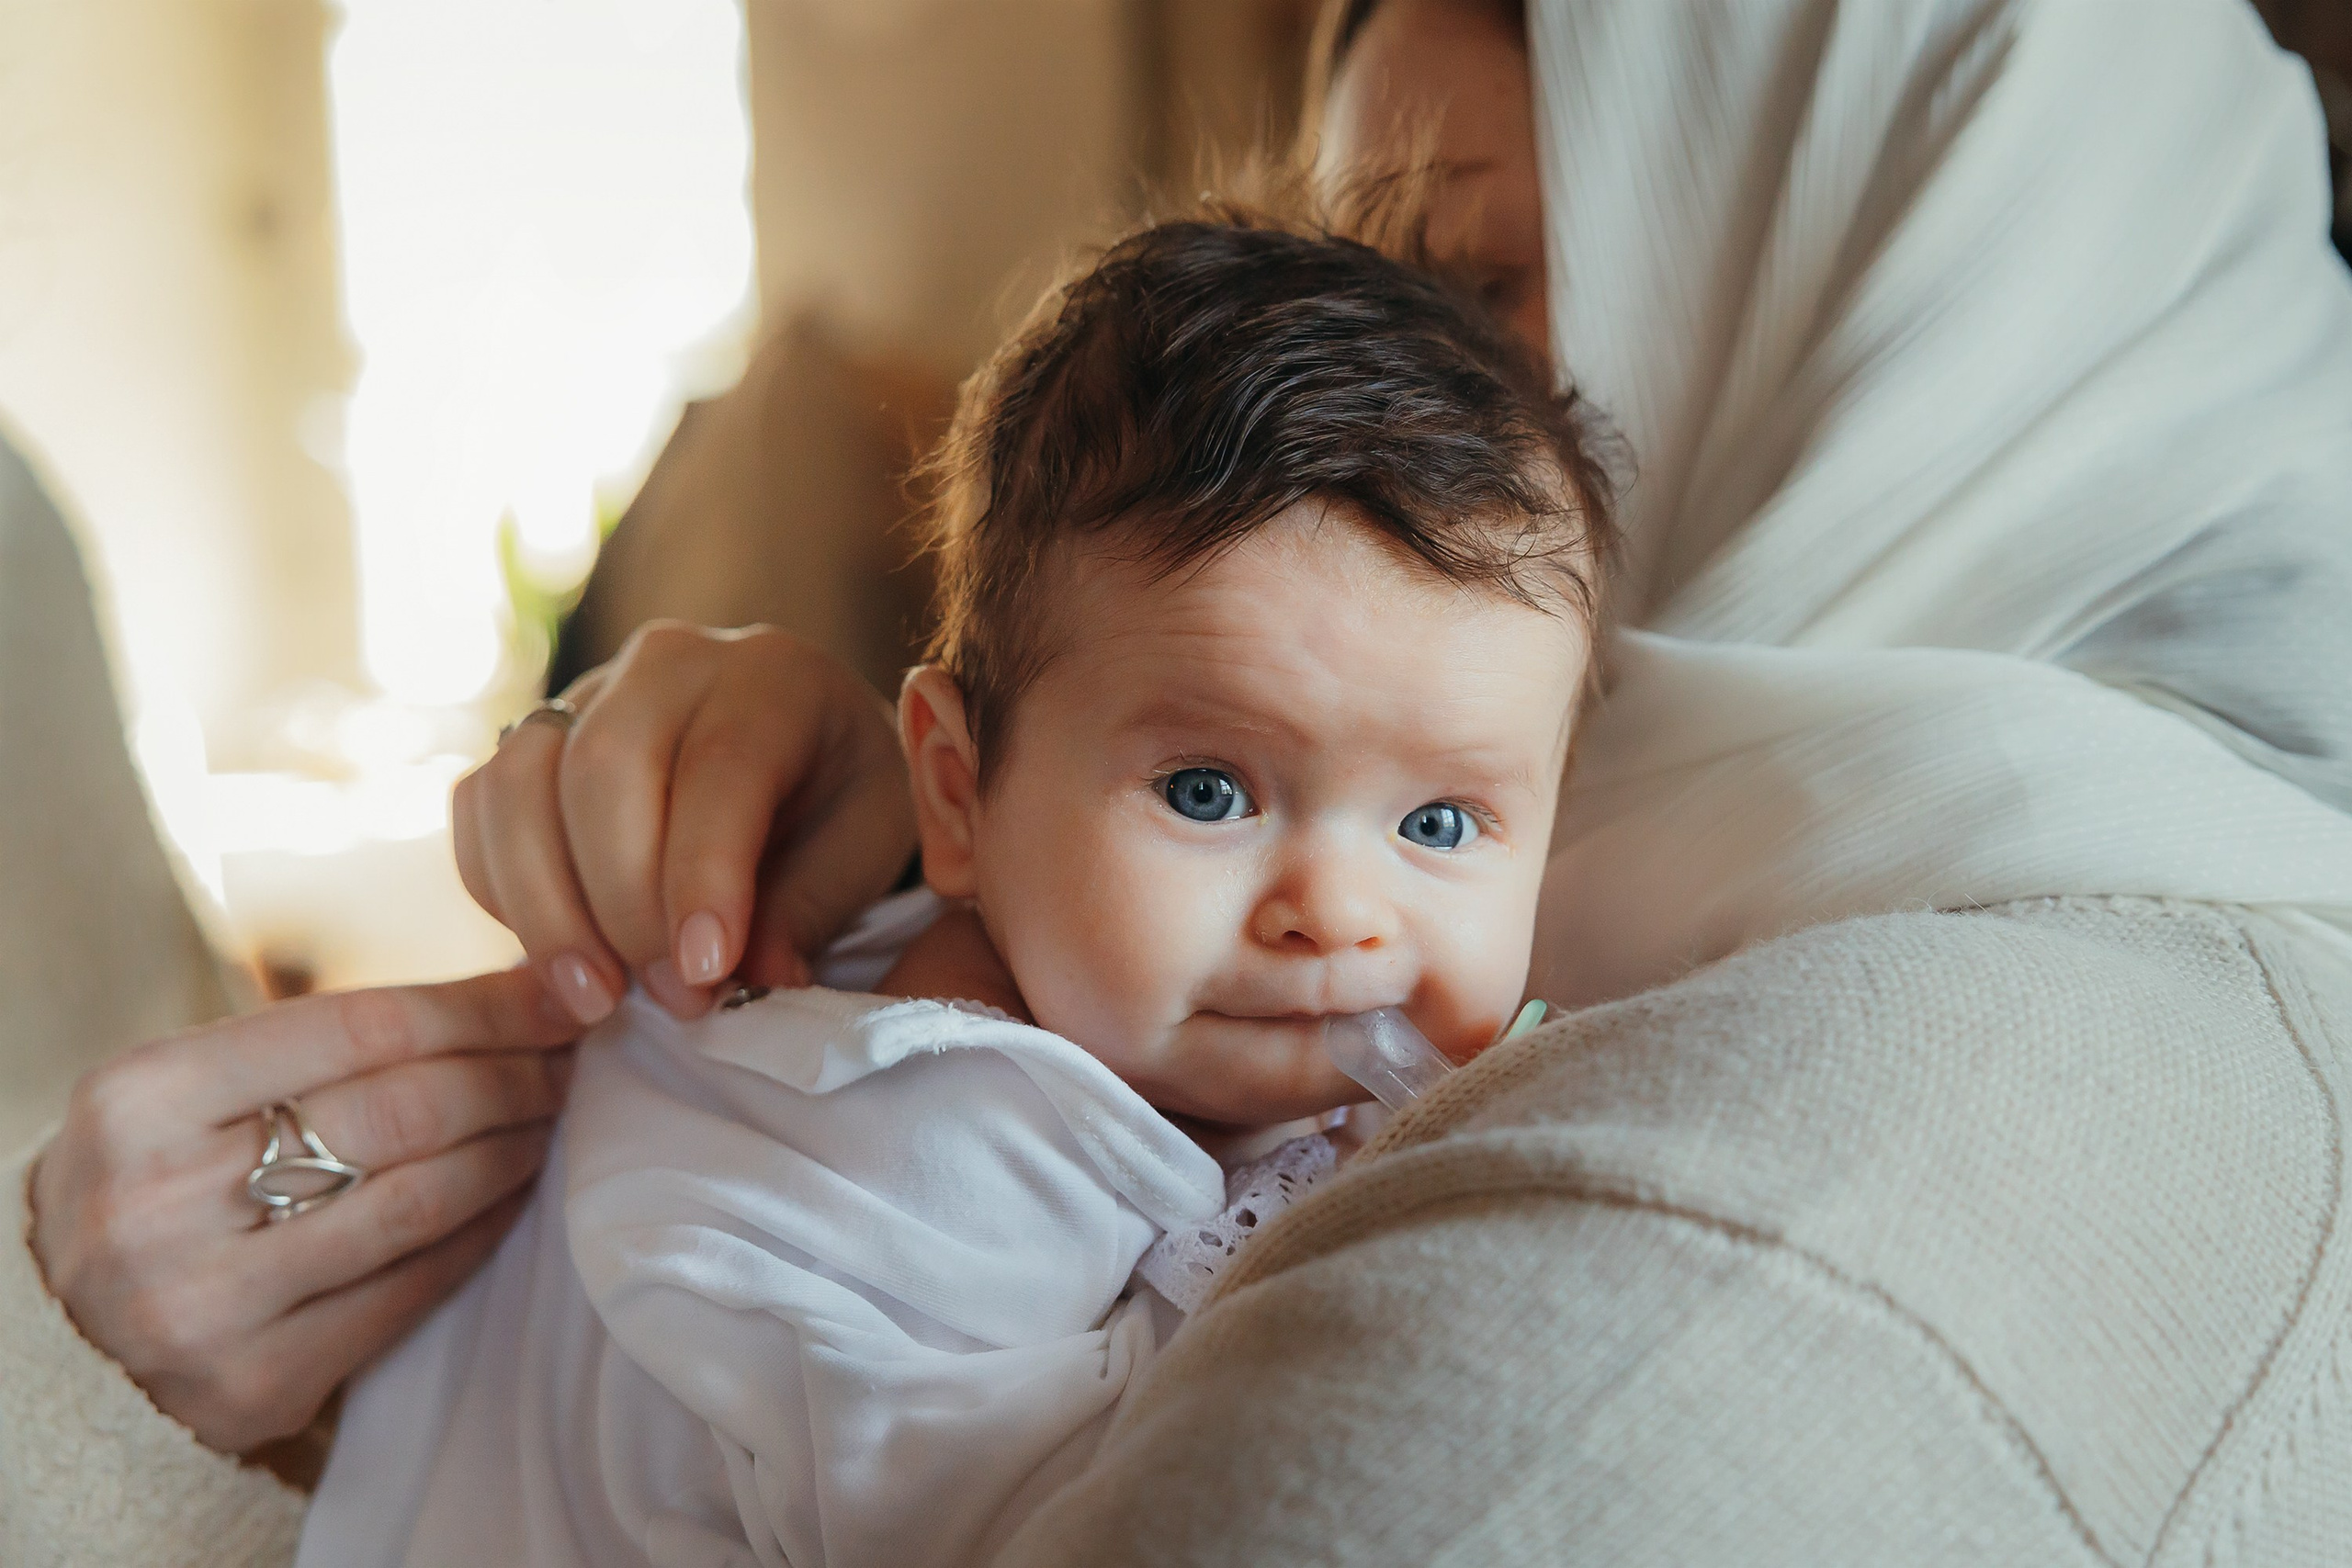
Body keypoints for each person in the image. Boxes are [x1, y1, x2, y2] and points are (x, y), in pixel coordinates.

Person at [13, 0, 2352, 1561]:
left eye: (1478, 296)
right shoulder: (1833, 903)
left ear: (1870, 304)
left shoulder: (1845, 1124)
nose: (1396, 429)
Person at [295, 206, 1615, 1567]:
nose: (1336, 914)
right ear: (957, 794)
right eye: (1207, 793)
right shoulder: (952, 1129)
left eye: (1440, 823)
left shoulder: (1289, 1064)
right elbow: (1009, 1531)